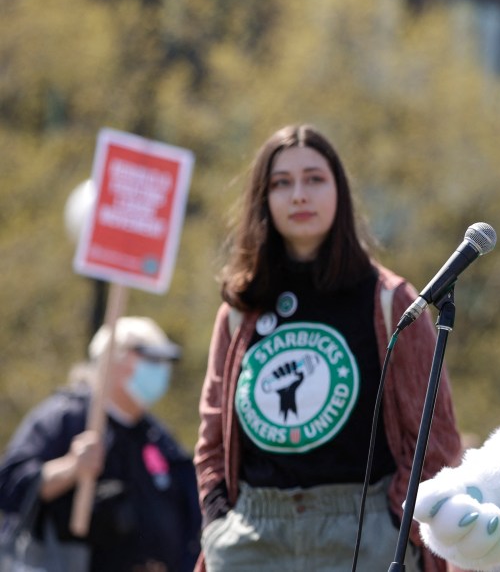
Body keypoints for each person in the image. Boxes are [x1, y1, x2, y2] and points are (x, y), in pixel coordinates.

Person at [193, 124, 463, 572]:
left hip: (363, 535)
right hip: (252, 540)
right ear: (263, 198)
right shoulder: (241, 311)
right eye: (282, 183)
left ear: (340, 192)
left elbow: (435, 439)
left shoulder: (388, 301)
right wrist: (218, 520)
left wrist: (398, 526)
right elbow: (211, 439)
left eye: (315, 179)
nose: (299, 195)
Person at [0, 316, 202, 572]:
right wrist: (71, 468)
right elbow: (10, 484)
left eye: (164, 362)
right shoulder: (65, 417)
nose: (161, 370)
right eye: (151, 360)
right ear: (111, 362)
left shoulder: (156, 436)